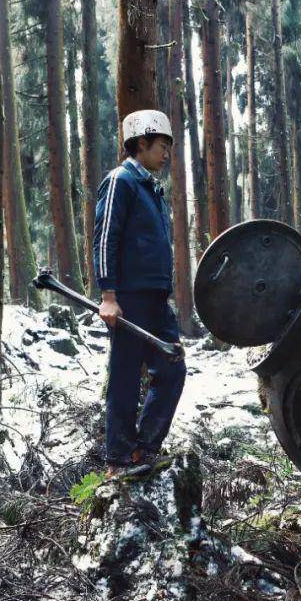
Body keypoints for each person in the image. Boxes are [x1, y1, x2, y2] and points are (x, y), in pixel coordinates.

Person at [93, 109, 187, 479]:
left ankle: (144, 449)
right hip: (128, 297)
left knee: (172, 367)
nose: (166, 154)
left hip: (155, 299)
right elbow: (105, 238)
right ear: (142, 143)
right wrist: (108, 295)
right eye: (162, 146)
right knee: (126, 375)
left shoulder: (151, 188)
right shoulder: (121, 181)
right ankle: (118, 457)